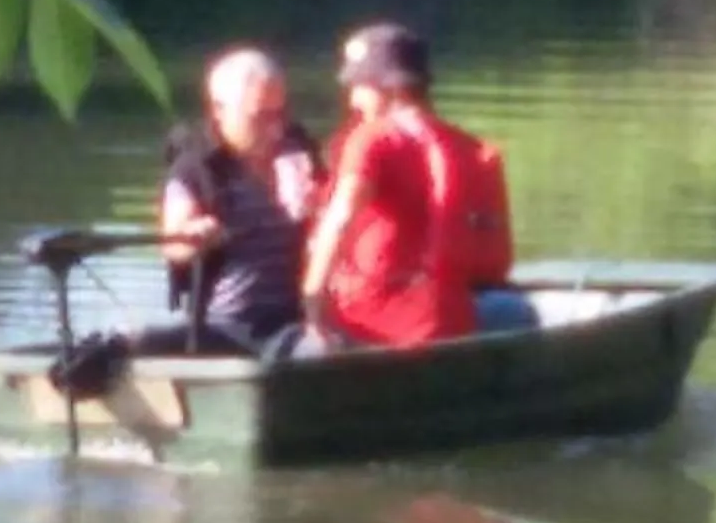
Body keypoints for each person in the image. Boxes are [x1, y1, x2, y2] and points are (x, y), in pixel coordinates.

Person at [298, 23, 479, 350]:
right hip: (451, 321)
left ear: (391, 87)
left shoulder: (373, 140)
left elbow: (338, 224)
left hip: (374, 325)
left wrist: (311, 306)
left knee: (288, 346)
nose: (353, 101)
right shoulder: (463, 145)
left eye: (359, 87)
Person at [147, 46, 321, 355]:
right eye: (259, 117)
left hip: (298, 318)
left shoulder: (299, 151)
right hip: (227, 325)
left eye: (279, 114)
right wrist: (196, 233)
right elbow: (173, 242)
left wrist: (319, 199)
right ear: (219, 109)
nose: (275, 129)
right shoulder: (196, 167)